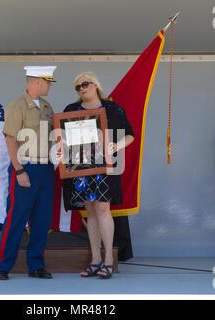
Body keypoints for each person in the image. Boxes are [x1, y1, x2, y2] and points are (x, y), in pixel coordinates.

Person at [61, 71, 134, 279]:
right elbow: (63, 138)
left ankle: (108, 259)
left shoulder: (112, 108)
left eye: (85, 83)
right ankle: (95, 260)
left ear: (95, 85)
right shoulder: (71, 110)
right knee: (90, 211)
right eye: (77, 86)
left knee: (103, 208)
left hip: (106, 167)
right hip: (81, 167)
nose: (82, 88)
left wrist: (116, 145)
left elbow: (130, 135)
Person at [0, 66, 57, 280]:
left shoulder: (48, 107)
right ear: (36, 81)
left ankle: (36, 265)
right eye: (47, 81)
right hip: (26, 167)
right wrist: (19, 169)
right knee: (16, 218)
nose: (50, 85)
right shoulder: (17, 106)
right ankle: (3, 266)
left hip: (46, 168)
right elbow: (10, 139)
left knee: (42, 220)